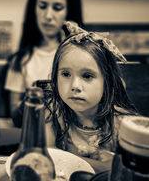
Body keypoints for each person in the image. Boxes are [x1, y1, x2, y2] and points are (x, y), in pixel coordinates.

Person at [45, 21, 138, 172]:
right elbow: (48, 155)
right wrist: (102, 166)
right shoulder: (53, 112)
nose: (75, 85)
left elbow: (130, 171)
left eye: (87, 76)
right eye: (66, 74)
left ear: (107, 81)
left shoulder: (122, 124)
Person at [4, 0, 83, 120]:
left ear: (69, 11)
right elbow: (14, 116)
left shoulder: (83, 55)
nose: (48, 15)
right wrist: (31, 102)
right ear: (33, 9)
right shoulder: (21, 60)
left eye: (57, 7)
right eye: (42, 6)